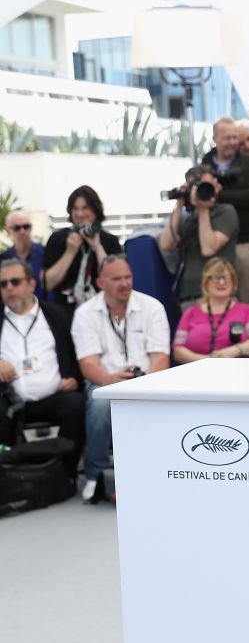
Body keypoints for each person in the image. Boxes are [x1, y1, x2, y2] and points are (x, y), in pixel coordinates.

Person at [71, 255, 170, 501]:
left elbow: (160, 359)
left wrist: (142, 385)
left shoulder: (152, 307)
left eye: (128, 277)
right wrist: (112, 383)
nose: (125, 283)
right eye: (117, 279)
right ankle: (95, 474)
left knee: (160, 404)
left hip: (148, 382)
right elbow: (88, 365)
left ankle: (160, 474)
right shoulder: (85, 314)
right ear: (100, 283)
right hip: (105, 383)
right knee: (101, 404)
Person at [0, 258, 85, 479]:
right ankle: (7, 474)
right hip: (10, 399)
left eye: (15, 281)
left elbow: (80, 355)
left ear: (31, 284)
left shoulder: (58, 316)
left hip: (53, 396)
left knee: (76, 404)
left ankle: (64, 475)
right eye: (3, 284)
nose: (9, 288)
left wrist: (75, 378)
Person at [200, 117, 249, 311]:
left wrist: (220, 196)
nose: (231, 142)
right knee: (215, 301)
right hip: (212, 243)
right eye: (226, 138)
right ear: (215, 138)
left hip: (245, 242)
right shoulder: (205, 165)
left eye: (234, 138)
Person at [158, 166, 239, 310]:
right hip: (190, 294)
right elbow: (166, 245)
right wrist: (179, 204)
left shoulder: (226, 211)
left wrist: (203, 209)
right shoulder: (188, 218)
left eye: (207, 184)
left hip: (220, 294)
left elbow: (208, 248)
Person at [42, 186, 122, 311]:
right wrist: (69, 253)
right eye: (75, 209)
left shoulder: (109, 240)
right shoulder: (58, 238)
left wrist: (97, 247)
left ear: (95, 210)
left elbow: (117, 279)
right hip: (65, 312)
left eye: (85, 208)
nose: (79, 214)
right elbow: (47, 284)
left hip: (102, 310)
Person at [172, 258, 249, 363]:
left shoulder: (247, 311)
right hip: (198, 370)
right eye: (215, 278)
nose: (221, 282)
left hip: (237, 369)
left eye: (227, 278)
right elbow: (178, 350)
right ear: (206, 283)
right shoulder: (191, 313)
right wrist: (206, 360)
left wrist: (230, 352)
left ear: (234, 283)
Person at [2, 210, 44, 298]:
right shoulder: (3, 260)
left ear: (31, 228)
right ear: (8, 231)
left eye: (26, 227)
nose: (22, 231)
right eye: (17, 228)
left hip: (43, 309)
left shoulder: (45, 253)